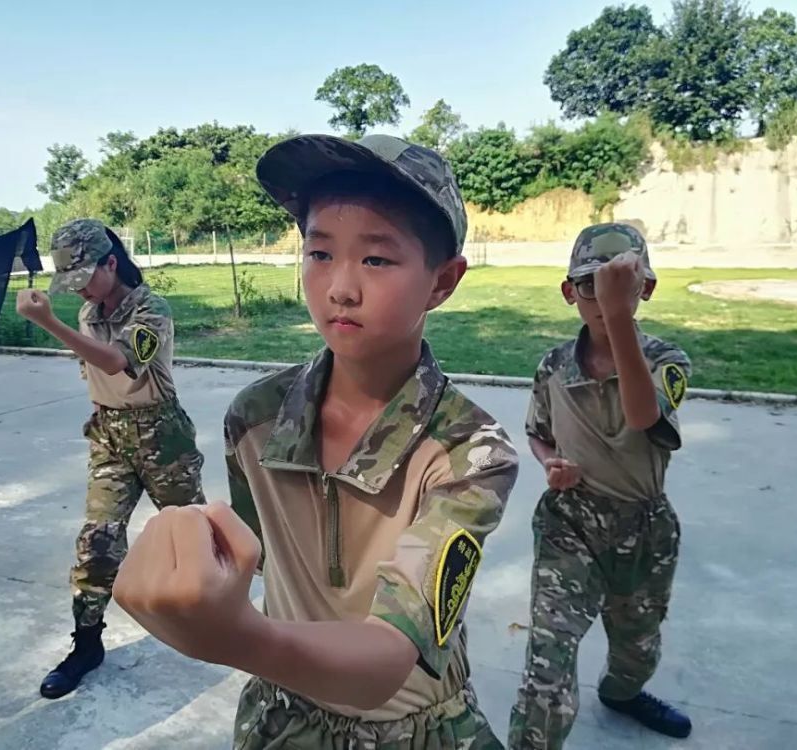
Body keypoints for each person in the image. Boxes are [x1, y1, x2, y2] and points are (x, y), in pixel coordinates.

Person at [111, 134, 520, 748]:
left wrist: (237, 637)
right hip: (280, 716)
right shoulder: (255, 418)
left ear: (443, 281)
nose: (340, 288)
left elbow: (388, 660)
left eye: (377, 260)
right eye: (320, 253)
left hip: (412, 730)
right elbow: (260, 560)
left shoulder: (468, 451)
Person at [507, 223, 693, 748]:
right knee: (549, 658)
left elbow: (642, 416)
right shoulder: (553, 366)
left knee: (638, 646)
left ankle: (623, 692)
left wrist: (617, 317)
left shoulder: (667, 361)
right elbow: (537, 434)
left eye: (621, 282)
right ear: (569, 292)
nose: (603, 297)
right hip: (570, 522)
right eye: (590, 284)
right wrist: (551, 463)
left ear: (646, 288)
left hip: (644, 527)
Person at [15, 219, 206, 699]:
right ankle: (86, 645)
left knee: (197, 534)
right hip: (110, 436)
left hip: (162, 437)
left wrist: (47, 323)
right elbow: (97, 373)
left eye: (84, 279)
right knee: (97, 543)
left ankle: (224, 618)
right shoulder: (89, 312)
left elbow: (116, 362)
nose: (79, 293)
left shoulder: (151, 310)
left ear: (111, 264)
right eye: (70, 283)